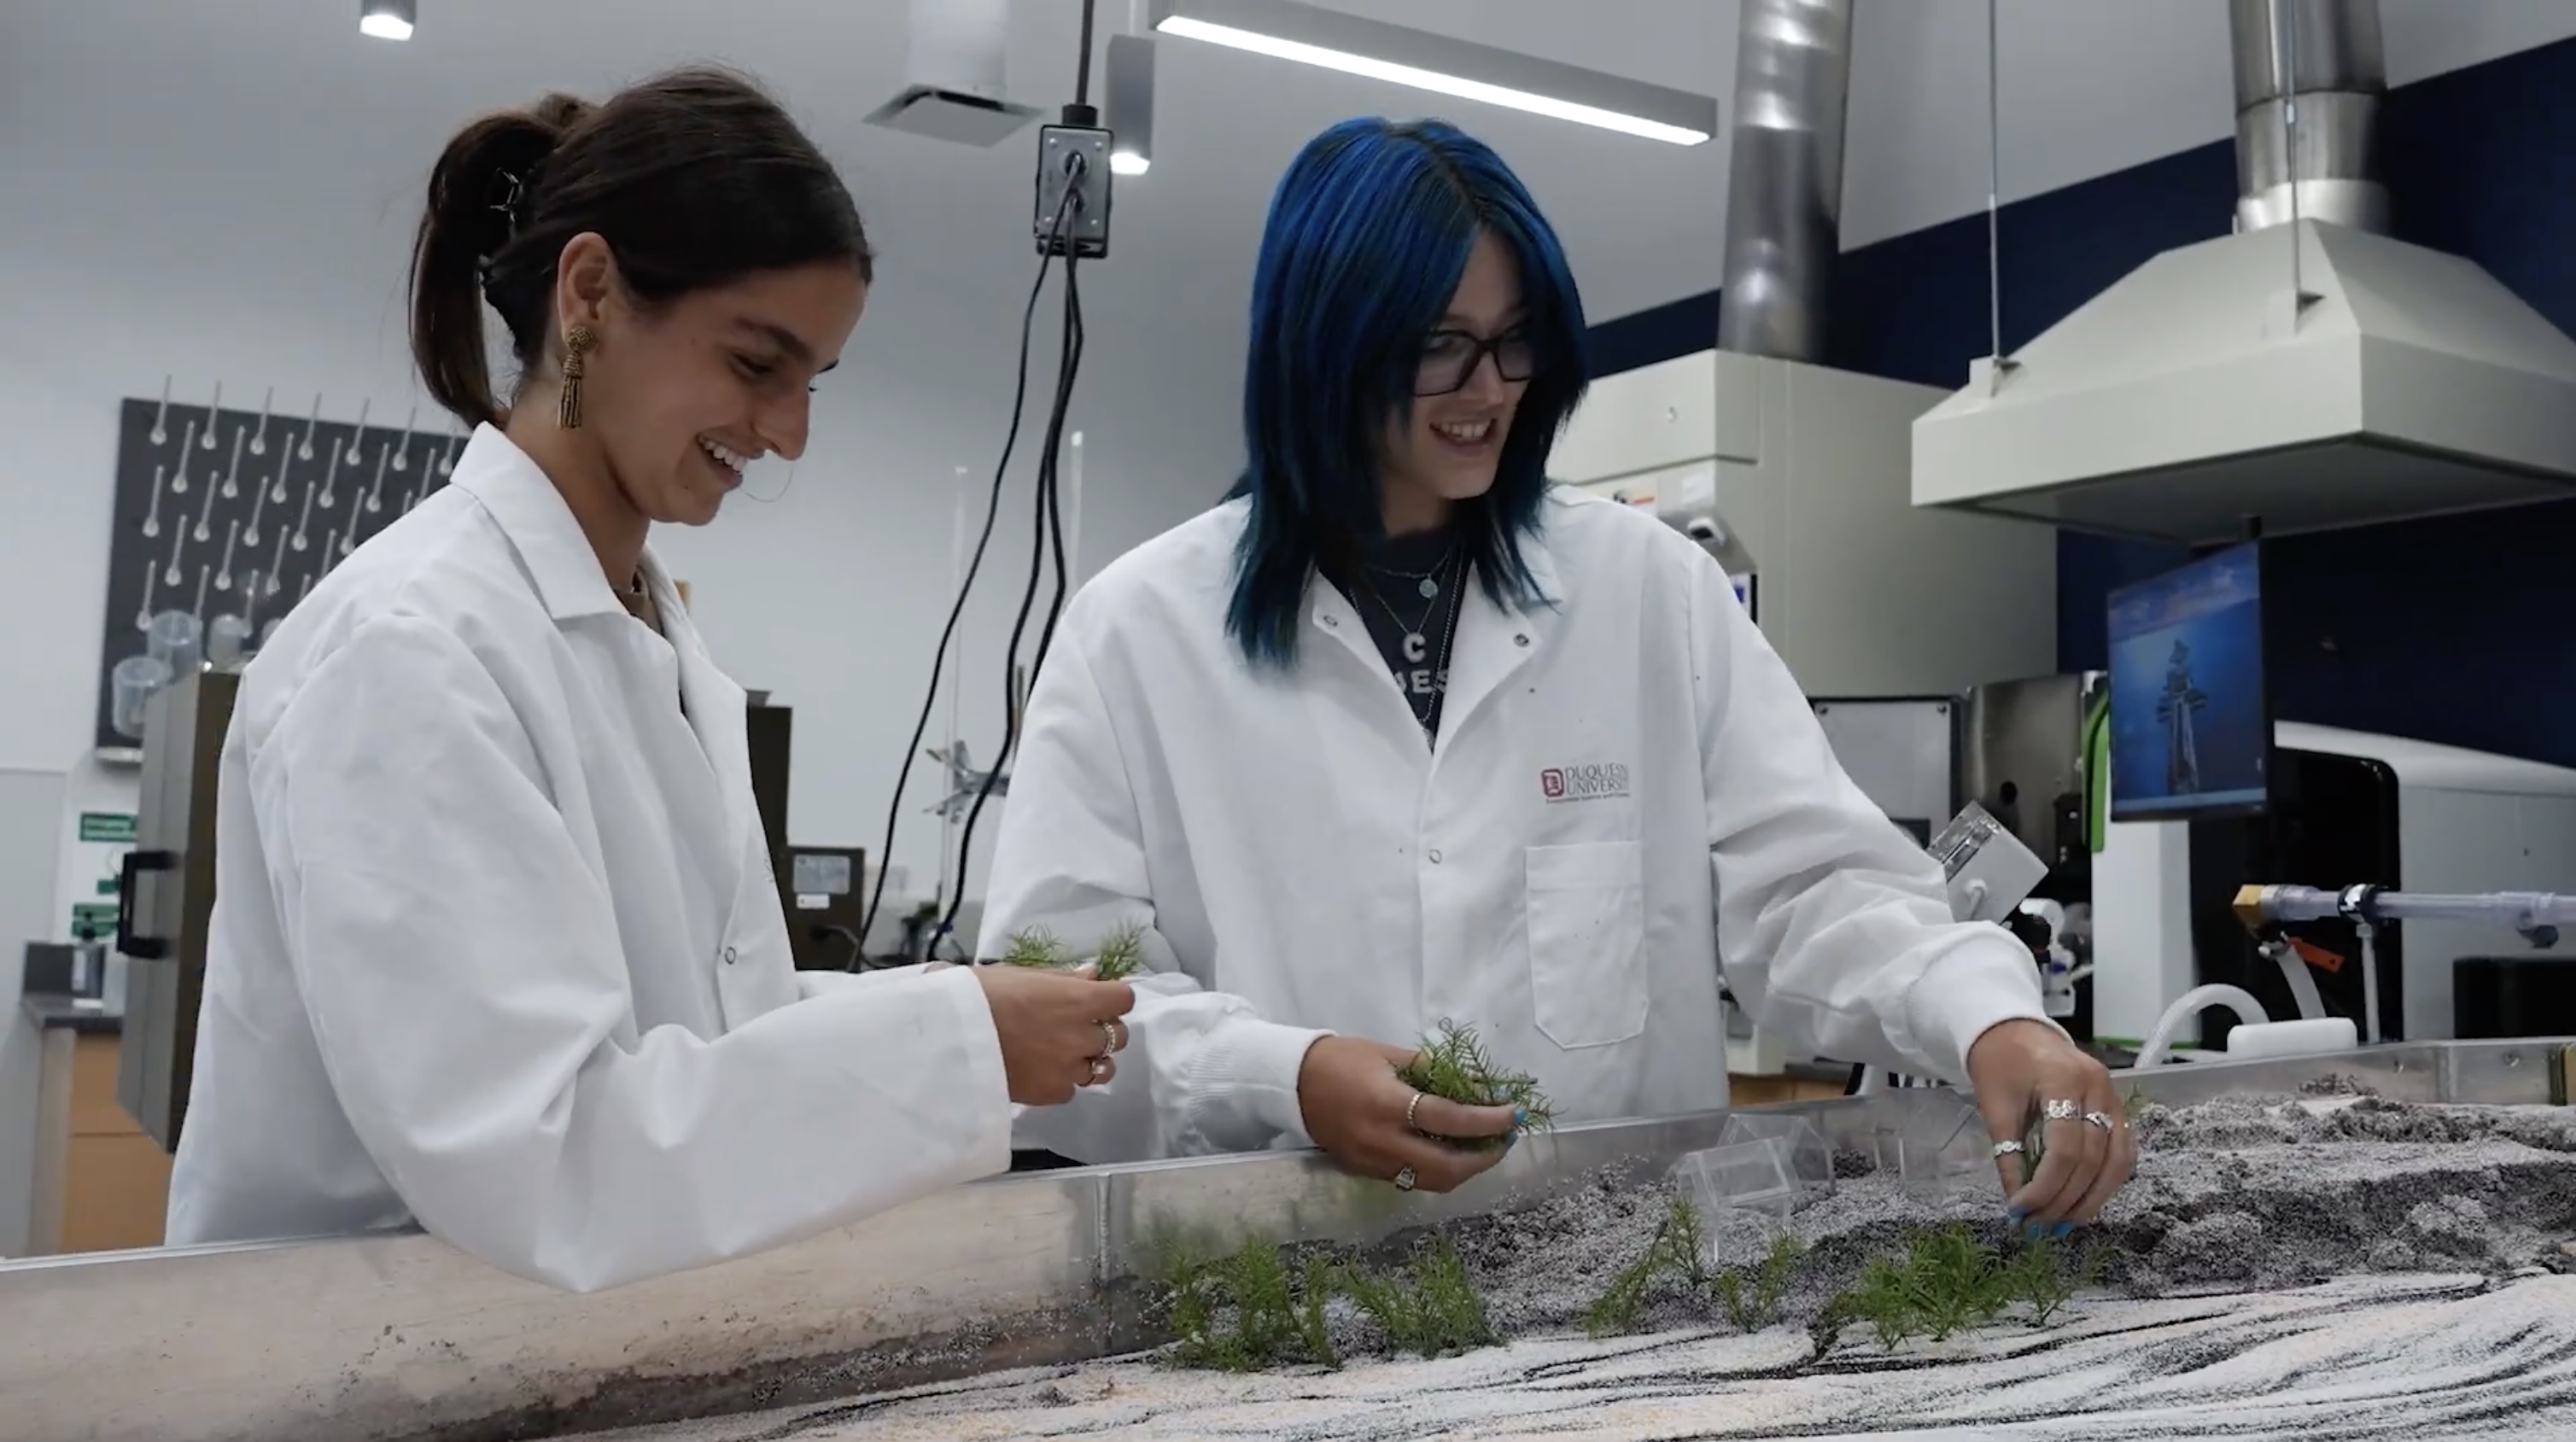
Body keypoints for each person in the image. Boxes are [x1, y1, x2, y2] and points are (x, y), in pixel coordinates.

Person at [978, 117, 2134, 1227]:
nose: (1487, 389)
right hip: (1272, 1271)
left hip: (1616, 1284)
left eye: (1514, 337)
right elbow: (1059, 1008)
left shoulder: (1646, 589)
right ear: (1320, 344)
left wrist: (1987, 1018)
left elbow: (1811, 888)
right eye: (1438, 344)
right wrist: (1287, 1076)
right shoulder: (1135, 631)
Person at [166, 69, 1136, 1293]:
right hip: (347, 1368)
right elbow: (542, 1157)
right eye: (756, 363)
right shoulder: (408, 649)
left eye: (810, 383)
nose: (787, 434)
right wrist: (956, 1043)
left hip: (559, 1350)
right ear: (588, 295)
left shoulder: (649, 632)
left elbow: (711, 1033)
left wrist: (960, 1015)